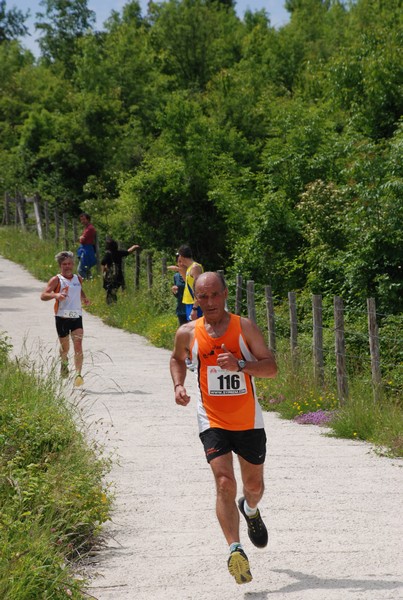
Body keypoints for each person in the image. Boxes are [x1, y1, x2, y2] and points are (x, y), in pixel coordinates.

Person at [170, 271, 277, 585]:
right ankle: (235, 549)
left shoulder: (244, 328)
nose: (209, 302)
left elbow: (271, 367)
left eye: (214, 295)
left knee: (253, 487)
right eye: (202, 297)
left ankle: (251, 509)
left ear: (225, 294)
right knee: (223, 481)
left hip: (248, 421)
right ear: (196, 298)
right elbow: (176, 359)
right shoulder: (187, 332)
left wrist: (242, 365)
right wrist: (178, 385)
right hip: (212, 419)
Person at [40, 250, 91, 387]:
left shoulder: (78, 278)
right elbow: (43, 295)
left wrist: (84, 298)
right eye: (64, 264)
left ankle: (78, 374)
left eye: (69, 263)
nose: (67, 266)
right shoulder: (56, 279)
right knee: (65, 347)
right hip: (62, 317)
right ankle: (64, 362)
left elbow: (78, 289)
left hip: (76, 316)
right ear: (60, 265)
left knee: (78, 345)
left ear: (73, 264)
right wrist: (56, 296)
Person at [100, 237, 140, 304]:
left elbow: (103, 264)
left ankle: (111, 305)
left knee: (110, 292)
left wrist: (104, 274)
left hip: (110, 277)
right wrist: (134, 246)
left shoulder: (107, 255)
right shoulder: (119, 253)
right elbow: (128, 251)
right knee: (113, 291)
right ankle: (113, 304)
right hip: (119, 276)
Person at [177, 244, 203, 321]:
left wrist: (195, 308)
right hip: (189, 302)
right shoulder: (189, 268)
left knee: (196, 329)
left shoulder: (195, 267)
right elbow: (188, 284)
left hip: (194, 304)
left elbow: (199, 288)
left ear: (181, 256)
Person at [167, 252, 187, 326]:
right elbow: (178, 295)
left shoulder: (192, 273)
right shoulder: (176, 276)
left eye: (182, 261)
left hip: (191, 309)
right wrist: (174, 291)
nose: (181, 263)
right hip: (181, 309)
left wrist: (179, 269)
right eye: (179, 261)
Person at [77, 213, 97, 279]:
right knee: (86, 269)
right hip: (85, 248)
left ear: (88, 219)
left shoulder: (90, 228)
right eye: (81, 220)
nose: (82, 221)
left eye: (84, 219)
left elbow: (82, 240)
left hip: (87, 250)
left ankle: (85, 282)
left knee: (80, 269)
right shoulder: (87, 228)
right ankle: (89, 281)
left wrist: (80, 238)